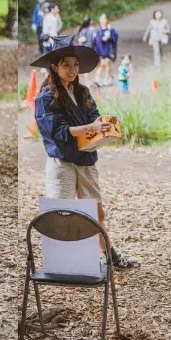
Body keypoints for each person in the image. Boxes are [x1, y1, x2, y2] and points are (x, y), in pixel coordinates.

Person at [32, 36, 138, 268]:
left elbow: (94, 117)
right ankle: (62, 262)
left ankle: (110, 257)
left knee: (97, 214)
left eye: (75, 65)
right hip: (62, 162)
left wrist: (104, 126)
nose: (72, 70)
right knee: (61, 214)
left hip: (87, 159)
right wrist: (91, 128)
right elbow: (57, 132)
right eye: (66, 65)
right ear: (54, 66)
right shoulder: (45, 97)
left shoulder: (82, 92)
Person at [92, 13, 119, 84]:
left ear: (107, 20)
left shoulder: (111, 30)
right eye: (101, 18)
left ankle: (106, 79)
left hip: (108, 50)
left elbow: (115, 39)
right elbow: (94, 41)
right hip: (99, 50)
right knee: (100, 65)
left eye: (104, 18)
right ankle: (108, 78)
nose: (103, 20)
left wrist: (109, 37)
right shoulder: (97, 31)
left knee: (106, 63)